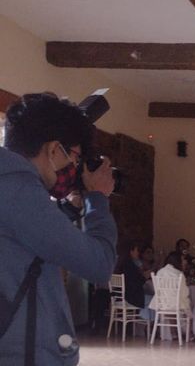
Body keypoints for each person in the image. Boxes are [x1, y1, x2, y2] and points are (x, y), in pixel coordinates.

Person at [0, 92, 116, 365]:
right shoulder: (19, 191)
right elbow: (99, 265)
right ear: (53, 150)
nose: (74, 168)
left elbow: (28, 244)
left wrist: (69, 209)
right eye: (74, 157)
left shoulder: (9, 185)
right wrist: (97, 198)